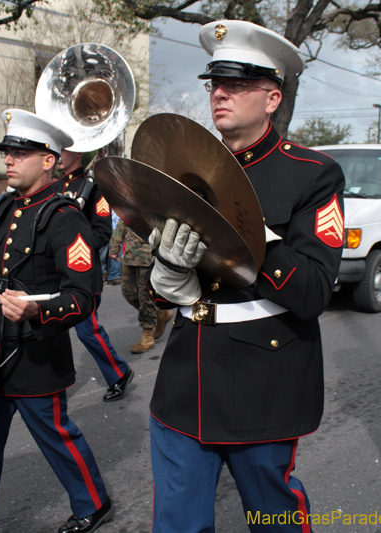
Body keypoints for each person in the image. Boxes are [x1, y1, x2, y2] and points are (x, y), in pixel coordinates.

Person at [144, 21, 344, 532]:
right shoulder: (184, 171)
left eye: (235, 84)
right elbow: (169, 282)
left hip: (264, 379)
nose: (220, 94)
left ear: (272, 97)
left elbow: (314, 292)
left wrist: (255, 238)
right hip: (186, 378)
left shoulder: (312, 174)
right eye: (214, 84)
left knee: (273, 521)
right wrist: (165, 279)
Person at [0, 109, 113, 533]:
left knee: (56, 436)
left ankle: (94, 502)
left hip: (37, 353)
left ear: (49, 160)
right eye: (7, 152)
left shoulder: (64, 217)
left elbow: (83, 296)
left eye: (21, 152)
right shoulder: (3, 208)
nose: (9, 159)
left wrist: (39, 309)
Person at [54, 149, 133, 401]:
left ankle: (119, 373)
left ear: (77, 154)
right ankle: (54, 383)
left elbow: (101, 232)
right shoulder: (54, 186)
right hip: (54, 275)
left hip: (81, 273)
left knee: (87, 330)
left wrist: (74, 244)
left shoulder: (93, 188)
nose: (58, 155)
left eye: (63, 151)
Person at [108, 219, 171, 354]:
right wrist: (114, 246)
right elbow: (123, 221)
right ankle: (160, 313)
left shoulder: (157, 203)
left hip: (149, 256)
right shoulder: (133, 201)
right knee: (128, 293)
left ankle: (147, 335)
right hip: (130, 255)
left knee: (146, 298)